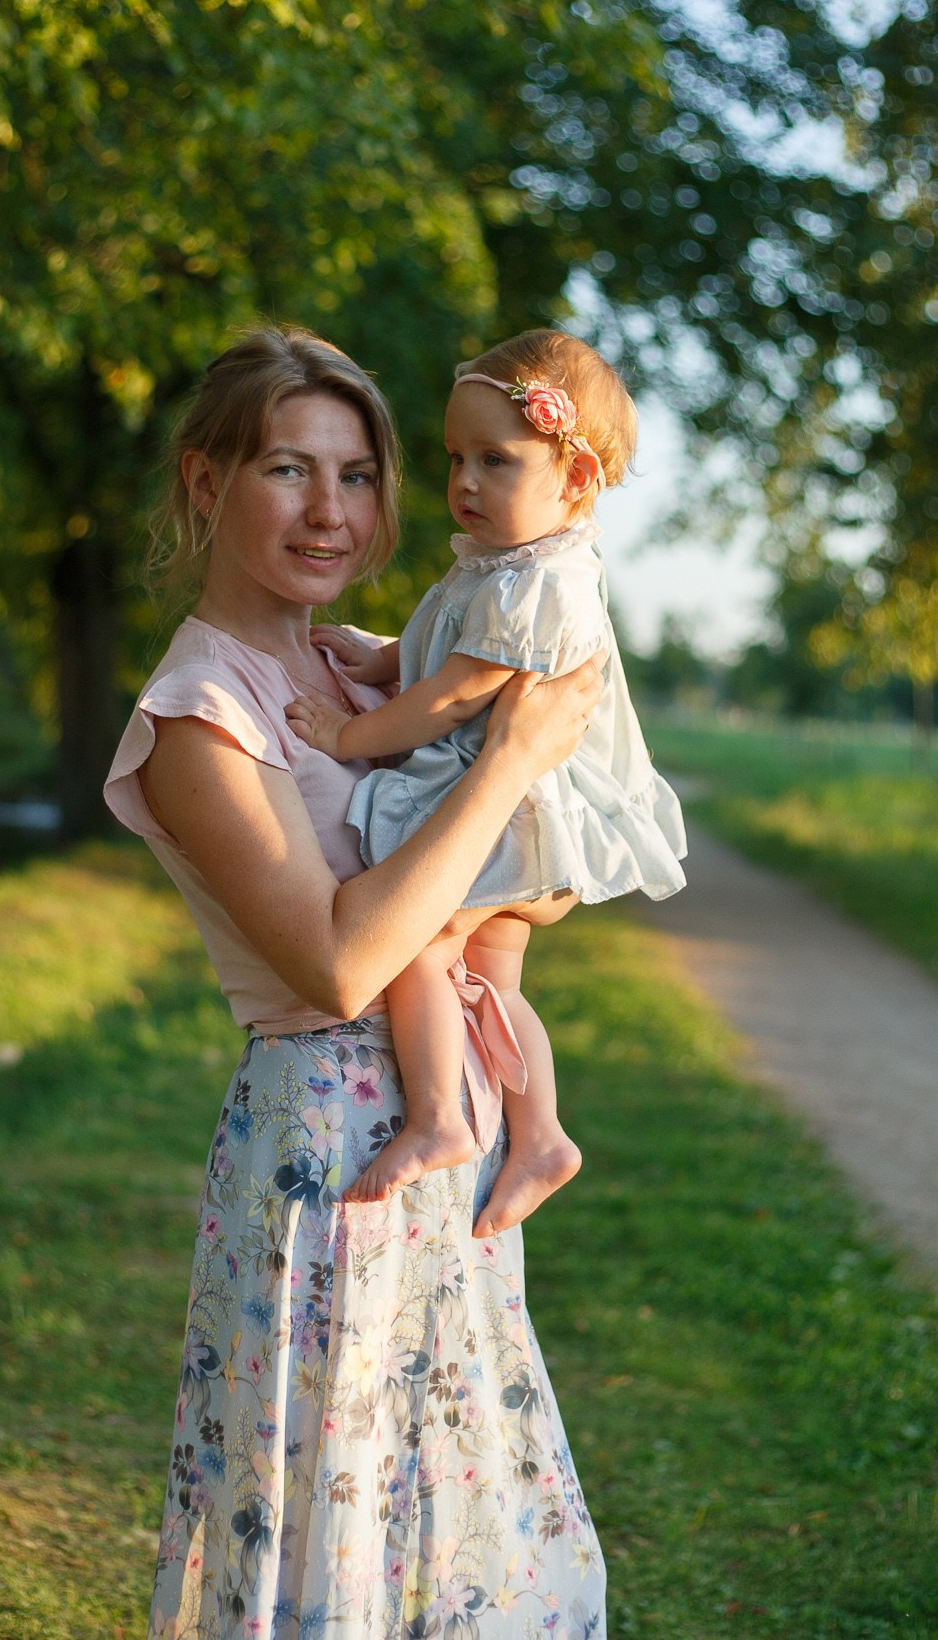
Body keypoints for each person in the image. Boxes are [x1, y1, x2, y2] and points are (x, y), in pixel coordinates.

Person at [104, 327, 610, 1636]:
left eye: (358, 472)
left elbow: (550, 878)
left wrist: (514, 805)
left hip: (435, 1153)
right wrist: (504, 770)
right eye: (288, 467)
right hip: (328, 1159)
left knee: (439, 1515)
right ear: (208, 481)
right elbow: (336, 959)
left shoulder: (355, 666)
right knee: (340, 1519)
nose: (331, 509)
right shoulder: (199, 714)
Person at [283, 330, 684, 1237]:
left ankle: (437, 1120)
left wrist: (348, 728)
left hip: (510, 806)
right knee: (494, 978)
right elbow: (450, 664)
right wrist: (380, 653)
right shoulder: (511, 569)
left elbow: (454, 695)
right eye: (456, 457)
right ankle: (540, 1134)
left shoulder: (539, 584)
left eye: (496, 461)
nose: (464, 482)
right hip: (521, 809)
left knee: (417, 943)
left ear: (576, 478)